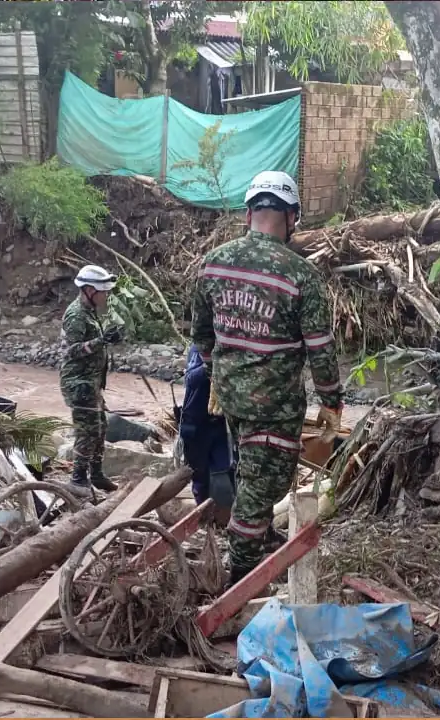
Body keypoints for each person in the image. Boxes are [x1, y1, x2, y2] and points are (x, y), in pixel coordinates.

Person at [191, 170, 344, 586]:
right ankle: (241, 576)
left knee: (248, 471)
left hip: (229, 398)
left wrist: (216, 373)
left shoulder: (213, 264)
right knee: (264, 486)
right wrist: (331, 403)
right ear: (292, 216)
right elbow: (319, 347)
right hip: (274, 406)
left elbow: (201, 334)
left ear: (249, 213)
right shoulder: (300, 275)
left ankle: (257, 538)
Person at [59, 264, 125, 498]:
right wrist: (100, 341)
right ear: (88, 290)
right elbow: (71, 351)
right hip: (79, 383)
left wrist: (108, 338)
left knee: (100, 427)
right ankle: (78, 479)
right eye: (102, 291)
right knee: (87, 431)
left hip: (92, 382)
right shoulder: (76, 314)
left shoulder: (89, 311)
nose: (106, 295)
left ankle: (95, 474)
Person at [178, 345, 237, 524]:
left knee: (228, 468)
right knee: (199, 474)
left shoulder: (234, 345)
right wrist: (212, 365)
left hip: (221, 423)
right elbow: (191, 378)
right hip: (196, 422)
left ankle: (232, 517)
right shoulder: (199, 348)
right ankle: (203, 516)